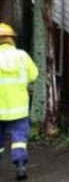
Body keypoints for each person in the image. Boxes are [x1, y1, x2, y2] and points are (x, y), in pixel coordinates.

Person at [0, 23, 38, 180]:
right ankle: (20, 165)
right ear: (11, 39)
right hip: (19, 108)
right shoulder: (22, 56)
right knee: (19, 138)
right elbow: (34, 74)